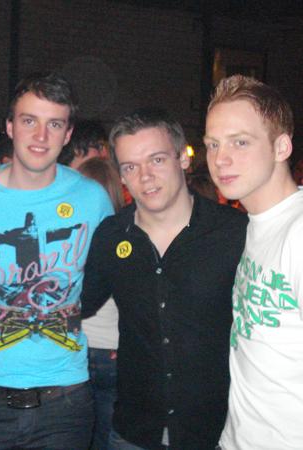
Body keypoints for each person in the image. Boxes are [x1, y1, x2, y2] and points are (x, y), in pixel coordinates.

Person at [0, 72, 114, 450]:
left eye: (54, 124)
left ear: (68, 134)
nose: (41, 136)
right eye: (29, 121)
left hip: (65, 403)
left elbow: (117, 280)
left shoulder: (92, 199)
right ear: (10, 127)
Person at [81, 108, 248, 450]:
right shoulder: (111, 235)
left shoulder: (234, 232)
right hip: (133, 431)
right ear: (121, 176)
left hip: (215, 433)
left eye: (156, 160)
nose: (145, 177)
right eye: (131, 167)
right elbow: (73, 304)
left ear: (183, 158)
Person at [204, 75, 303, 450]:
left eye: (240, 142)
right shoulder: (256, 225)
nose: (220, 159)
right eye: (213, 144)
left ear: (281, 147)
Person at [77, 157, 123, 450]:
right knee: (107, 436)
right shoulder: (126, 233)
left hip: (76, 347)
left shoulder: (72, 236)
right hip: (113, 349)